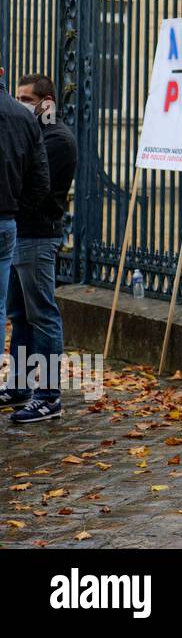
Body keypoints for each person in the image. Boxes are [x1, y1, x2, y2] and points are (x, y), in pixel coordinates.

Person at [0, 71, 62, 421]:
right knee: (18, 315)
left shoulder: (58, 139)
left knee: (42, 314)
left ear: (46, 103)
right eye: (19, 97)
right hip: (19, 234)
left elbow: (41, 188)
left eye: (28, 99)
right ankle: (20, 385)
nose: (22, 104)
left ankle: (49, 396)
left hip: (37, 236)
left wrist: (15, 207)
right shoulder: (28, 127)